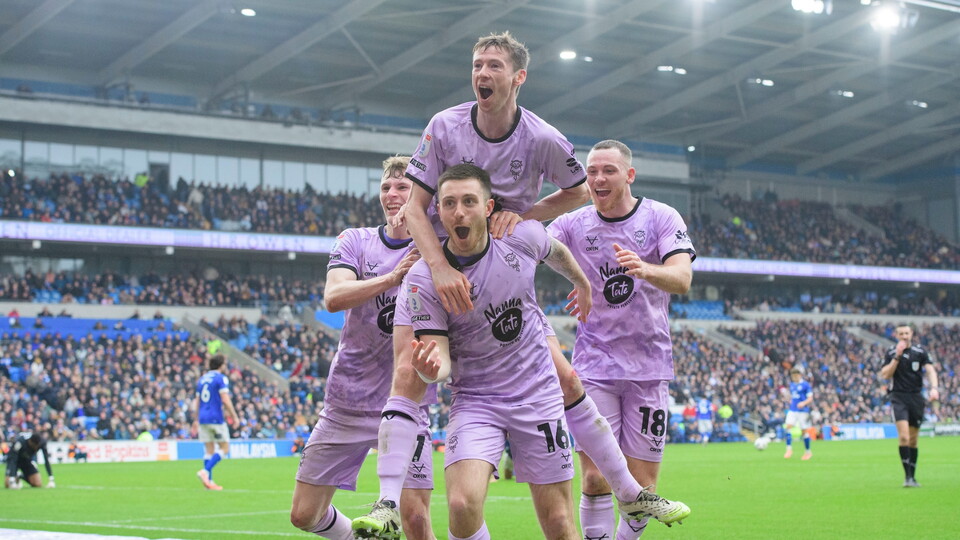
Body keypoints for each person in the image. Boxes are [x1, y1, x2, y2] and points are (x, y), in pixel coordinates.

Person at [355, 33, 688, 539]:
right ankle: (387, 502)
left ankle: (629, 491)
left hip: (504, 265)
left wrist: (527, 219)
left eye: (493, 65)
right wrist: (438, 268)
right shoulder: (445, 126)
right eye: (476, 65)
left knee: (567, 381)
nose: (482, 74)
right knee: (411, 371)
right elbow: (417, 208)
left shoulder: (541, 140)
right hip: (440, 271)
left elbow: (573, 197)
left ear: (518, 77)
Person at [393, 164, 590, 539]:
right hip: (477, 399)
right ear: (438, 212)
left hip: (537, 395)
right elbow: (442, 362)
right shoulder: (423, 278)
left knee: (560, 523)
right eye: (448, 203)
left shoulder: (519, 236)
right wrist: (430, 368)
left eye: (469, 201)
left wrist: (581, 281)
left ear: (488, 207)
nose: (459, 212)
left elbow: (555, 250)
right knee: (461, 506)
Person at [547, 140, 696, 539]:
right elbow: (530, 241)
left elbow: (682, 279)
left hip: (650, 368)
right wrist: (578, 278)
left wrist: (645, 270)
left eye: (608, 170)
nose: (598, 178)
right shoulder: (573, 224)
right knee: (595, 477)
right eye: (592, 171)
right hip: (595, 364)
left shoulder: (661, 216)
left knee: (642, 484)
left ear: (629, 175)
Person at [290, 156, 435, 540]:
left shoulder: (438, 246)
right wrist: (392, 276)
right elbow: (334, 297)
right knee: (304, 514)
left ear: (420, 193)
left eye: (402, 186)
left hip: (405, 400)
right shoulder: (355, 240)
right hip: (347, 399)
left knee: (417, 520)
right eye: (386, 186)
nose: (392, 194)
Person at [879, 324, 939, 487]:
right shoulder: (891, 352)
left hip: (916, 398)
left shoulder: (920, 352)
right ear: (896, 335)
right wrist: (897, 357)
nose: (904, 336)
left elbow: (931, 370)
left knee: (913, 440)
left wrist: (934, 388)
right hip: (898, 397)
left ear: (911, 334)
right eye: (901, 333)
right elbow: (885, 374)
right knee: (904, 437)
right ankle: (907, 477)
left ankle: (912, 476)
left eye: (907, 333)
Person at [193, 354, 239, 491]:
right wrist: (234, 416)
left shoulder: (201, 380)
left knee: (209, 450)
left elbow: (197, 401)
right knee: (225, 448)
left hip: (203, 418)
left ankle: (209, 482)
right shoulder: (220, 378)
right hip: (216, 418)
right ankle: (205, 471)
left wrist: (196, 419)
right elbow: (225, 399)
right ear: (221, 365)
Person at [783, 368, 813, 460]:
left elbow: (810, 398)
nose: (794, 377)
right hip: (792, 410)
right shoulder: (792, 385)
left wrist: (803, 403)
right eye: (792, 376)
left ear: (800, 375)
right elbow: (793, 397)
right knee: (788, 427)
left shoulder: (805, 385)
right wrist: (788, 399)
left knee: (804, 432)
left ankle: (808, 452)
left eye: (795, 375)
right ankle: (789, 449)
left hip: (803, 411)